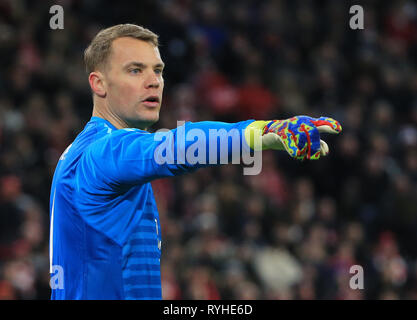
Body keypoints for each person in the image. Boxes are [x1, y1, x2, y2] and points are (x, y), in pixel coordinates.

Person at [49, 24, 342, 300]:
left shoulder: (83, 153)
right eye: (135, 70)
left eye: (158, 70)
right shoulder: (102, 152)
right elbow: (179, 146)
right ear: (99, 83)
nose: (154, 81)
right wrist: (262, 133)